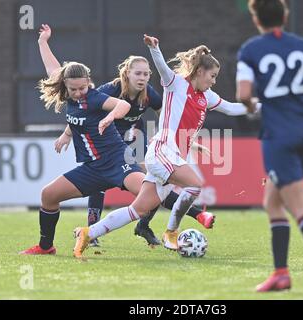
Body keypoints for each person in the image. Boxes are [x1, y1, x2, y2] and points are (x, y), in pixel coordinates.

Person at [72, 33, 250, 258]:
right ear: (199, 72)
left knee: (137, 210)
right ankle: (171, 232)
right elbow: (163, 68)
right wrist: (154, 49)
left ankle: (87, 233)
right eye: (212, 76)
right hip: (162, 151)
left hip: (173, 156)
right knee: (195, 184)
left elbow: (234, 108)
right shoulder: (176, 84)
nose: (214, 81)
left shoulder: (207, 97)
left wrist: (267, 105)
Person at [237, 0, 303, 293]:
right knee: (272, 201)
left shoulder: (250, 50)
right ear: (285, 16)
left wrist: (252, 107)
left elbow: (244, 93)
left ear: (256, 18)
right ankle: (281, 273)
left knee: (297, 207)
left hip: (278, 136)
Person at [56, 55, 216, 248]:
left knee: (157, 179)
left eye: (146, 74)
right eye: (138, 73)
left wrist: (171, 139)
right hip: (109, 144)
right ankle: (92, 229)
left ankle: (144, 225)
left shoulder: (148, 93)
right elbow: (84, 108)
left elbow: (167, 115)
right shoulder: (110, 90)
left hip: (134, 141)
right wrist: (67, 134)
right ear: (127, 73)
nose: (142, 78)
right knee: (100, 182)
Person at [20, 24, 147, 255]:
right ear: (65, 87)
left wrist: (110, 116)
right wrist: (42, 42)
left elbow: (124, 104)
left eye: (82, 87)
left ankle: (178, 226)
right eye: (74, 89)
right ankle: (46, 247)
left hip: (117, 161)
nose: (79, 92)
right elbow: (52, 68)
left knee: (149, 194)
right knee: (48, 195)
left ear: (88, 81)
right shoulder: (68, 91)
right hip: (92, 169)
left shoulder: (96, 97)